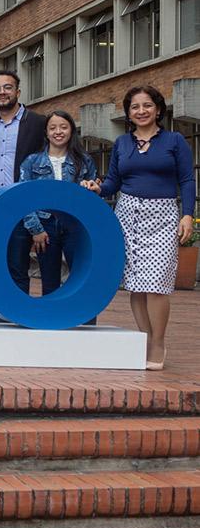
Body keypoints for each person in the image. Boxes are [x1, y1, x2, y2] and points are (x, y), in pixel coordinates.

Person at [84, 86, 195, 370]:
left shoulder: (174, 141)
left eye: (147, 105)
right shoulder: (122, 143)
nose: (141, 111)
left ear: (158, 109)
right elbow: (113, 182)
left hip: (163, 216)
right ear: (128, 113)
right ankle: (143, 339)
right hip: (127, 214)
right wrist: (98, 188)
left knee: (156, 283)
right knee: (136, 285)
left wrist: (187, 215)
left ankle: (158, 342)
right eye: (135, 107)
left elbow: (186, 179)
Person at [0, 70, 45, 312]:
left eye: (7, 87)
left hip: (20, 206)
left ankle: (16, 318)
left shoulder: (38, 123)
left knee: (17, 267)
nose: (2, 92)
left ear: (17, 92)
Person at [19, 111, 98, 308]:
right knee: (49, 281)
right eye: (52, 128)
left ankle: (85, 320)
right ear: (46, 133)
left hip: (75, 225)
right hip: (45, 226)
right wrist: (35, 230)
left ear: (71, 130)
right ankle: (51, 320)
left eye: (63, 127)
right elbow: (24, 198)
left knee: (82, 277)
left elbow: (92, 198)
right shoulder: (32, 161)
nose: (58, 132)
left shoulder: (84, 160)